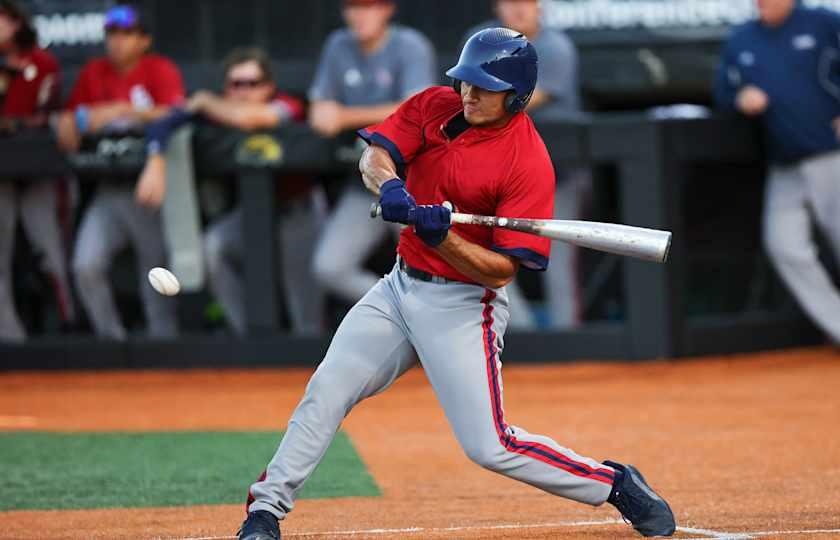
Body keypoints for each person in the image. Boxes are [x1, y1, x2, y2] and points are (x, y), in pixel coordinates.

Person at [238, 29, 675, 540]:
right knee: (325, 391)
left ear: (516, 96)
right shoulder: (433, 104)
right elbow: (373, 157)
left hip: (467, 306)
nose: (469, 93)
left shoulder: (527, 161)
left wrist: (442, 237)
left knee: (490, 446)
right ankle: (265, 512)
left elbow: (501, 270)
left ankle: (614, 483)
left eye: (484, 87)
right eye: (466, 81)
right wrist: (393, 185)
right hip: (398, 289)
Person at [137, 47, 326, 336]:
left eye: (253, 84)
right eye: (237, 84)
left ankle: (309, 359)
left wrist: (206, 102)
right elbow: (163, 124)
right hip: (251, 214)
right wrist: (156, 160)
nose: (245, 91)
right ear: (227, 88)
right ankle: (246, 338)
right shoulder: (216, 111)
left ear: (270, 86)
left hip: (299, 209)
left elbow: (254, 118)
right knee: (213, 248)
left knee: (304, 310)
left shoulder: (288, 103)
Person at [715, 0, 840, 345]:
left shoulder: (823, 22)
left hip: (830, 157)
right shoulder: (743, 38)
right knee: (784, 246)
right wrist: (740, 97)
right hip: (783, 162)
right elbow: (722, 91)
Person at [55, 4, 183, 340]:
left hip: (150, 189)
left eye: (127, 34)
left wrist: (124, 111)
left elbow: (176, 114)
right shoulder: (94, 72)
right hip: (109, 188)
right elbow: (70, 124)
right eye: (112, 34)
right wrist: (75, 121)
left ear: (144, 40)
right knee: (86, 264)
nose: (117, 42)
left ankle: (163, 345)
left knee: (155, 273)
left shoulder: (159, 69)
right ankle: (111, 343)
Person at [465, 0, 585, 329]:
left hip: (558, 172)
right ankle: (523, 335)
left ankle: (567, 345)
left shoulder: (555, 46)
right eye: (510, 3)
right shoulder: (480, 40)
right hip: (502, 174)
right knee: (490, 255)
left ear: (539, 7)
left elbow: (521, 100)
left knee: (556, 263)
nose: (518, 10)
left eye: (525, 2)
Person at [309, 0, 436, 304]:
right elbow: (319, 113)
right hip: (367, 179)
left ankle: (516, 340)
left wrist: (344, 116)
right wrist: (329, 114)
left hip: (415, 177)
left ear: (386, 9)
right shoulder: (338, 44)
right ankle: (404, 308)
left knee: (436, 267)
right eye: (353, 7)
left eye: (368, 6)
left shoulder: (409, 44)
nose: (359, 15)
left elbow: (415, 108)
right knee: (329, 267)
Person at [0, 0, 75, 341]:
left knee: (50, 251)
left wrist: (16, 124)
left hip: (37, 168)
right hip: (2, 172)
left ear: (15, 23)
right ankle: (10, 337)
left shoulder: (42, 62)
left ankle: (69, 325)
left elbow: (46, 115)